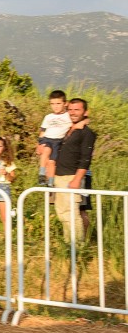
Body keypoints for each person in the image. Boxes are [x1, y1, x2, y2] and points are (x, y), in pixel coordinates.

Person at [46, 98, 96, 238]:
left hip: (72, 177)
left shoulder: (87, 133)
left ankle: (77, 248)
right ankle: (68, 246)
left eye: (77, 110)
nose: (73, 113)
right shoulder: (66, 128)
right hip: (59, 176)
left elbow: (86, 159)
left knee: (74, 213)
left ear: (85, 112)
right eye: (70, 109)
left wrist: (77, 180)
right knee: (62, 213)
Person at [36, 90, 70, 186]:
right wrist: (39, 143)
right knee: (46, 151)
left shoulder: (68, 116)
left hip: (58, 141)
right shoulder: (48, 117)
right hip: (47, 139)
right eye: (53, 104)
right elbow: (42, 131)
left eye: (58, 103)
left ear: (65, 103)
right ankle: (42, 173)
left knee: (51, 162)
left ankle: (50, 182)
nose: (55, 106)